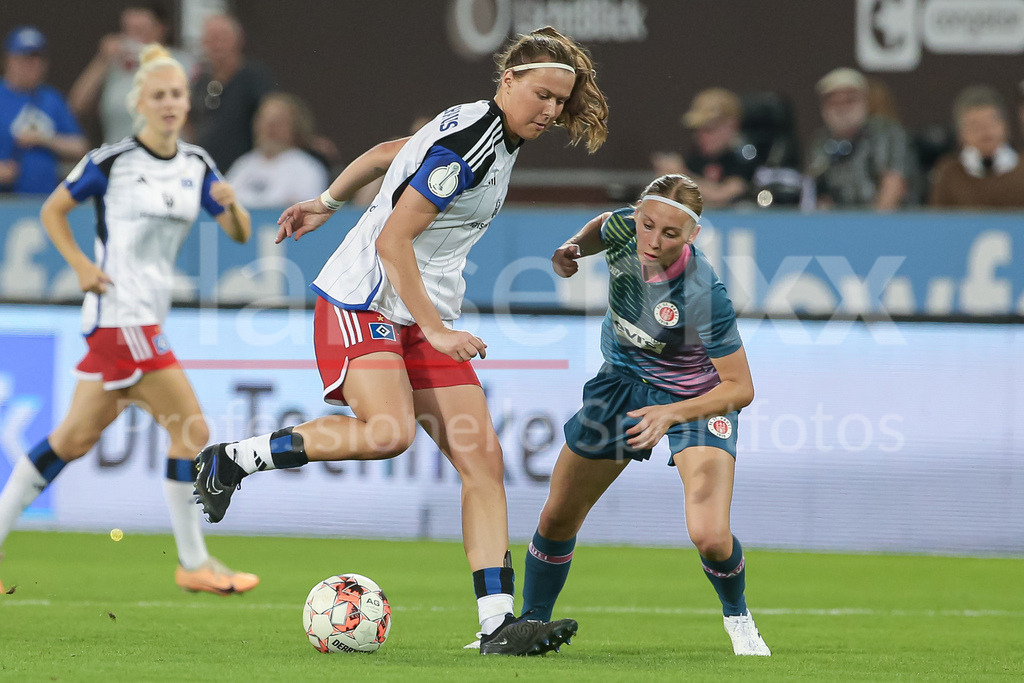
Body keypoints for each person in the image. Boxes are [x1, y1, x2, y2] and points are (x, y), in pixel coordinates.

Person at [194, 26, 609, 655]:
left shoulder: (480, 127)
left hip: (418, 308)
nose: (551, 111)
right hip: (363, 297)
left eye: (560, 101)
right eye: (543, 95)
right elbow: (391, 241)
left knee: (483, 464)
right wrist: (439, 330)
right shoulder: (472, 145)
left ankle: (497, 626)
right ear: (509, 79)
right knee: (389, 433)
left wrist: (329, 199)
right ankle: (232, 459)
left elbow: (396, 150)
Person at [0, 45, 256, 596]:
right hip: (119, 316)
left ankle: (192, 562)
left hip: (143, 319)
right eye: (157, 95)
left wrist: (233, 207)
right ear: (139, 102)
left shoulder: (197, 167)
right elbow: (52, 210)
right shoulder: (112, 162)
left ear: (188, 103)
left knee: (71, 440)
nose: (168, 103)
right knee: (192, 428)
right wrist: (81, 265)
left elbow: (238, 234)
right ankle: (193, 562)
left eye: (176, 95)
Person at [520, 174, 771, 656]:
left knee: (710, 535)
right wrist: (570, 248)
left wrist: (670, 414)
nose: (653, 241)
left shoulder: (702, 292)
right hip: (621, 383)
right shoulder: (622, 229)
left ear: (692, 235)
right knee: (557, 516)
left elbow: (741, 388)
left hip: (696, 399)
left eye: (670, 234)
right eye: (647, 225)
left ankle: (738, 617)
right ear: (636, 215)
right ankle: (529, 624)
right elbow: (602, 226)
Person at [68, 4, 193, 145]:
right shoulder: (114, 66)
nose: (133, 37)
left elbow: (193, 120)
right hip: (119, 158)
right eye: (128, 31)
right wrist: (102, 60)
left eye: (140, 30)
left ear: (160, 29)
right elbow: (77, 105)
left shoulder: (181, 63)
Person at [806, 67, 916, 211]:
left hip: (883, 222)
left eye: (849, 100)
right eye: (834, 102)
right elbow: (814, 190)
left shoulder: (886, 133)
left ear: (865, 101)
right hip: (837, 224)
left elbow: (893, 186)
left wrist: (871, 227)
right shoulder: (820, 141)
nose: (842, 109)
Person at [0, 26, 88, 194]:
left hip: (43, 199)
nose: (35, 65)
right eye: (26, 59)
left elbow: (80, 147)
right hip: (5, 200)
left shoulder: (51, 99)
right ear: (9, 60)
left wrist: (45, 139)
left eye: (39, 59)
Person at [188, 14, 275, 171]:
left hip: (245, 171)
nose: (217, 45)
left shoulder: (254, 77)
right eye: (211, 39)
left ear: (239, 40)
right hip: (205, 170)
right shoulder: (200, 82)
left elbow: (273, 115)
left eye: (222, 38)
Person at [650, 88, 757, 208]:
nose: (701, 137)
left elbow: (722, 196)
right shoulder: (697, 157)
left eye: (709, 130)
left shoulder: (742, 158)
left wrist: (680, 176)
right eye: (698, 130)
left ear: (732, 125)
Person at [226, 92, 330, 208]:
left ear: (294, 127)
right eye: (265, 120)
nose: (270, 127)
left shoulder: (309, 170)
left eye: (278, 121)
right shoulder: (243, 165)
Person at [929, 85, 1024, 208]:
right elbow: (936, 221)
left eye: (991, 122)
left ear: (1005, 126)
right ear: (961, 134)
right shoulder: (949, 173)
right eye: (975, 125)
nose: (985, 131)